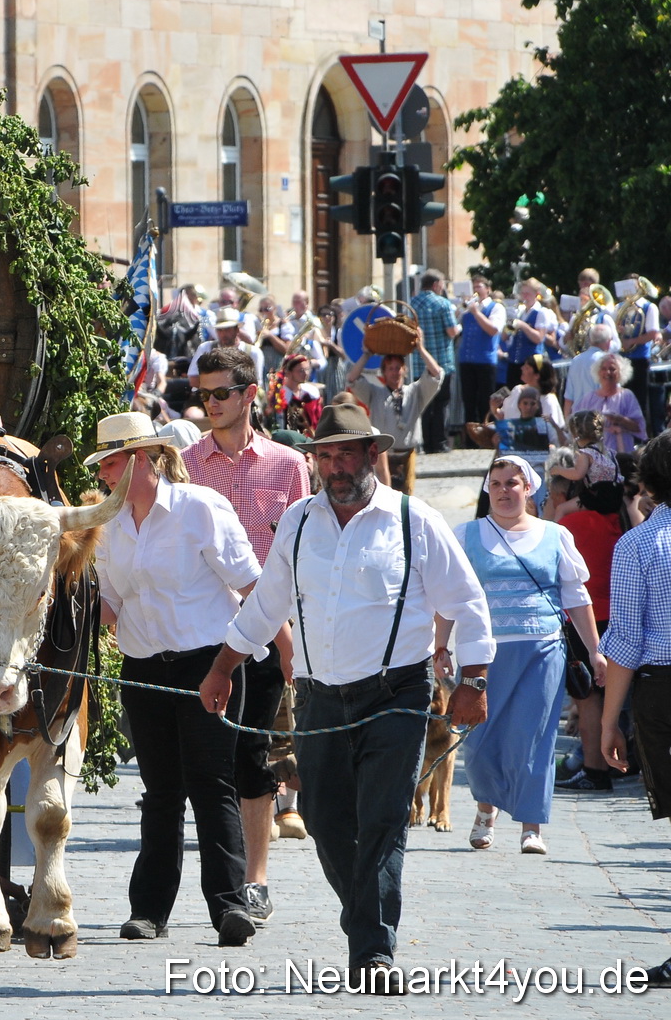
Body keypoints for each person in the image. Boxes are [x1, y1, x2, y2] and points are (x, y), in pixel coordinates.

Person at [198, 402, 494, 992]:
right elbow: (266, 605)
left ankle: (372, 952)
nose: (335, 467)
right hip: (319, 698)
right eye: (325, 456)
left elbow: (467, 601)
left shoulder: (413, 520)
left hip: (397, 693)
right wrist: (222, 668)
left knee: (382, 819)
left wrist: (474, 681)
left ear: (371, 455)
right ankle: (365, 915)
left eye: (346, 455)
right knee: (326, 821)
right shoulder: (299, 521)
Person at [87, 412, 262, 947]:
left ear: (141, 459)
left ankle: (230, 906)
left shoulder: (199, 507)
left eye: (110, 463)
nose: (102, 474)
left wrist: (278, 656)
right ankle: (148, 911)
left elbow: (253, 586)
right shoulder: (109, 525)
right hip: (143, 669)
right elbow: (109, 606)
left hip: (209, 663)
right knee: (161, 791)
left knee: (211, 784)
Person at [183, 348, 313, 923]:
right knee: (207, 760)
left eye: (220, 393)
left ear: (249, 394)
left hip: (267, 630)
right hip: (201, 632)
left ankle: (255, 881)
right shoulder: (186, 462)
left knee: (253, 755)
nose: (210, 403)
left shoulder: (288, 464)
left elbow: (300, 551)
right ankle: (223, 880)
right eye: (204, 394)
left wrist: (293, 638)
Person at [454, 457, 604, 855]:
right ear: (488, 489)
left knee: (532, 736)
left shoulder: (555, 536)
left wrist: (595, 651)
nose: (504, 491)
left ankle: (531, 826)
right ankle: (486, 809)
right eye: (496, 483)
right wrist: (437, 645)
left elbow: (576, 596)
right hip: (482, 654)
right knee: (480, 739)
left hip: (542, 650)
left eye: (512, 483)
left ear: (528, 489)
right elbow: (449, 595)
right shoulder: (466, 535)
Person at [599, 431, 671, 990]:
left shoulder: (640, 545)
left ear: (646, 483)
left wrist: (610, 722)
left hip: (666, 693)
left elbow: (625, 642)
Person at [551, 457, 623, 793]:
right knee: (613, 695)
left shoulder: (570, 524)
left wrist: (559, 509)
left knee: (588, 696)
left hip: (584, 619)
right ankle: (616, 760)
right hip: (616, 616)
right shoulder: (617, 520)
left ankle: (595, 769)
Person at [348, 330, 445, 494]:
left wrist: (420, 348)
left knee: (406, 497)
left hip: (407, 454)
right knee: (381, 496)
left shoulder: (416, 392)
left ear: (405, 370)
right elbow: (352, 379)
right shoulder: (375, 393)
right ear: (384, 372)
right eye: (391, 368)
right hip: (381, 455)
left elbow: (437, 374)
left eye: (398, 368)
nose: (395, 372)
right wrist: (366, 354)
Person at [409, 270, 460, 454]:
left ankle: (423, 442)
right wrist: (459, 325)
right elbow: (452, 332)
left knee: (423, 404)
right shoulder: (443, 303)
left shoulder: (411, 304)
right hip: (441, 363)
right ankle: (438, 442)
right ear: (436, 284)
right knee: (441, 404)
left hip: (417, 363)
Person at [458, 273, 505, 433]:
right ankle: (470, 437)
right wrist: (460, 309)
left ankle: (486, 435)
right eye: (473, 287)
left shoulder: (496, 307)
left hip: (485, 361)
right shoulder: (468, 309)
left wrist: (476, 312)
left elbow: (493, 330)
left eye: (478, 286)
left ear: (488, 289)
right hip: (466, 360)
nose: (475, 290)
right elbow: (455, 327)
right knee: (468, 401)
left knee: (485, 401)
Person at [575, 353, 646, 457]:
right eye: (603, 369)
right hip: (595, 452)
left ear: (620, 372)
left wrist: (620, 420)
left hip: (621, 451)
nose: (607, 372)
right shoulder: (589, 398)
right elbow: (576, 425)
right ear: (598, 372)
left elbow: (639, 427)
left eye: (612, 369)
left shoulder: (627, 396)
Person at [188, 309, 265, 387]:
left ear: (237, 330)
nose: (223, 334)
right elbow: (193, 379)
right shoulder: (206, 348)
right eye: (220, 330)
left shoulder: (253, 352)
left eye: (227, 329)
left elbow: (257, 383)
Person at [565, 323, 615, 417]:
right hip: (598, 418)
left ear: (590, 340)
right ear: (608, 342)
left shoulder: (576, 360)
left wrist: (567, 421)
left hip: (577, 418)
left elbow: (569, 398)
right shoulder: (608, 361)